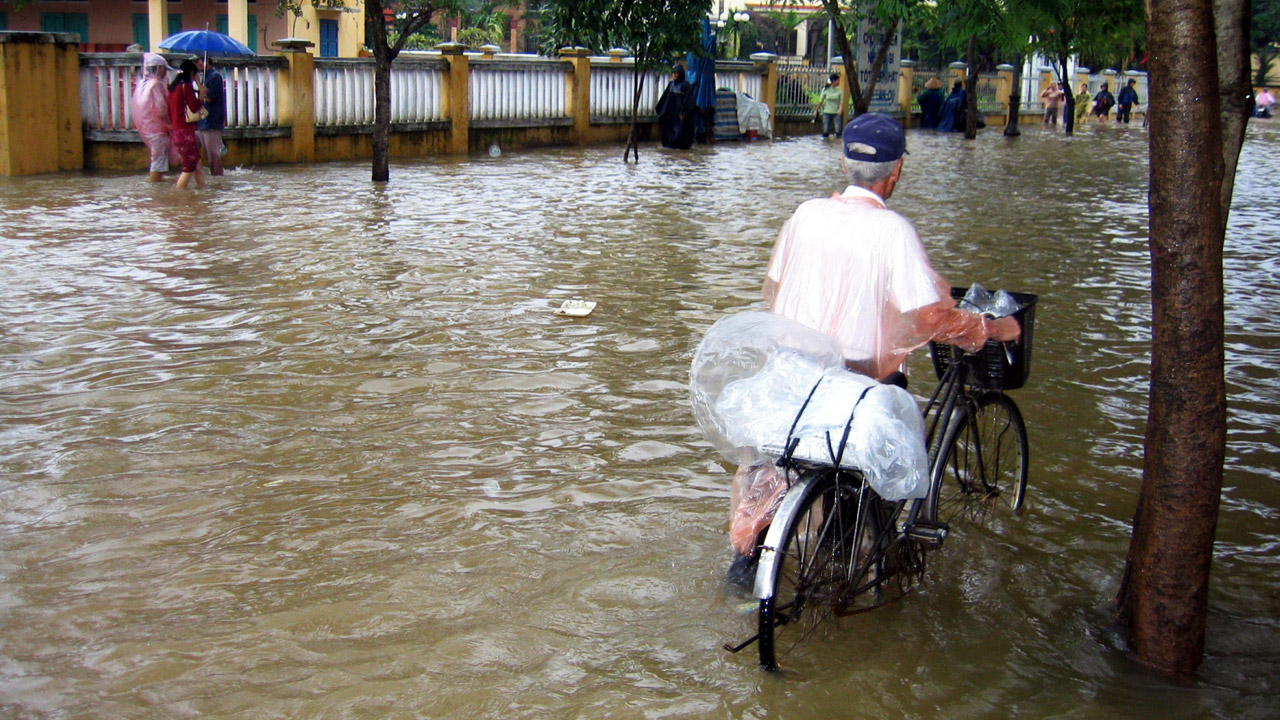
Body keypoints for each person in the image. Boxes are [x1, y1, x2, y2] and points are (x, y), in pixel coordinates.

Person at [725, 114, 1020, 581]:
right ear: (896, 170)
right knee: (892, 425)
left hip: (790, 373)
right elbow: (932, 317)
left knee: (772, 461)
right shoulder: (893, 232)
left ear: (845, 166)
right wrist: (988, 329)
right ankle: (867, 552)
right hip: (853, 379)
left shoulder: (806, 215)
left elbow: (776, 287)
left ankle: (744, 566)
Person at [130, 53, 178, 182]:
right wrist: (170, 124)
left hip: (147, 130)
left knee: (158, 159)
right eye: (163, 69)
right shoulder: (156, 84)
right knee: (158, 162)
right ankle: (155, 188)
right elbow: (161, 108)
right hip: (158, 130)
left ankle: (156, 184)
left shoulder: (142, 83)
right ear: (159, 68)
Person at [168, 58, 206, 190]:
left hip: (177, 131)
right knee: (189, 167)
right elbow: (195, 107)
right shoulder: (186, 87)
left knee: (197, 164)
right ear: (191, 73)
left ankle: (202, 189)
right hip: (185, 131)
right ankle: (180, 194)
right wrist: (201, 94)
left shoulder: (172, 88)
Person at [196, 56, 227, 176]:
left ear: (206, 61)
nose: (196, 65)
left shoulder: (214, 77)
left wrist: (198, 84)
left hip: (212, 122)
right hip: (201, 122)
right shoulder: (204, 77)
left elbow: (209, 98)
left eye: (197, 61)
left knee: (213, 158)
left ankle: (217, 184)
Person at [655, 65, 696, 149]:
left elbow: (689, 101)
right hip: (671, 114)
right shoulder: (671, 85)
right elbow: (665, 99)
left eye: (676, 73)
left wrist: (684, 112)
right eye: (673, 73)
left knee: (681, 132)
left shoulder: (686, 85)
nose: (674, 75)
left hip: (681, 115)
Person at [814, 74, 843, 138]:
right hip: (827, 112)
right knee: (825, 130)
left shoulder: (839, 91)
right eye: (838, 80)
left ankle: (836, 143)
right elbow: (820, 101)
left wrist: (840, 109)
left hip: (836, 113)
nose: (839, 82)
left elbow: (841, 102)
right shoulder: (825, 90)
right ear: (834, 81)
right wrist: (816, 110)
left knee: (838, 130)